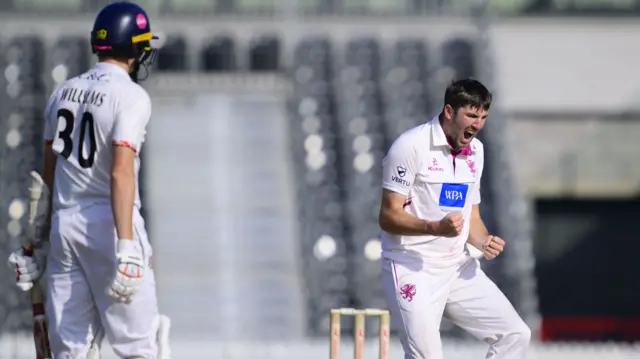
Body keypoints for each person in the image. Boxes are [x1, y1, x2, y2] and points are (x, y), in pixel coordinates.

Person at [8, 2, 168, 358]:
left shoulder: (62, 92)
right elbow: (121, 170)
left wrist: (37, 243)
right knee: (139, 348)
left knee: (72, 351)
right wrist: (127, 245)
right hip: (109, 227)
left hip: (64, 226)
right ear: (133, 48)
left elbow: (47, 179)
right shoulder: (130, 96)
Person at [378, 79, 531, 359]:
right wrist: (434, 227)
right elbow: (388, 216)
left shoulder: (477, 151)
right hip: (412, 266)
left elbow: (471, 215)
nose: (477, 124)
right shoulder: (411, 146)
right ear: (449, 111)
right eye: (471, 115)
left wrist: (484, 241)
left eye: (483, 117)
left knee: (515, 335)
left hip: (457, 267)